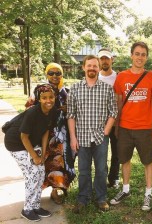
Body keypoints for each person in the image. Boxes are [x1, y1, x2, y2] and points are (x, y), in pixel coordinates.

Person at [110, 41, 152, 211]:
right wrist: (116, 125)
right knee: (124, 159)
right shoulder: (121, 77)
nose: (140, 57)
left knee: (148, 161)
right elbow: (118, 102)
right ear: (131, 55)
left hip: (144, 128)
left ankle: (148, 194)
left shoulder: (151, 77)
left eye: (143, 54)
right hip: (125, 127)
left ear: (146, 57)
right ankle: (125, 190)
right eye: (137, 54)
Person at [67, 55, 118, 214]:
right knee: (83, 170)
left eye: (95, 66)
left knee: (101, 169)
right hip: (81, 137)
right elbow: (71, 115)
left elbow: (113, 112)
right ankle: (83, 198)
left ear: (98, 68)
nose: (92, 68)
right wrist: (73, 138)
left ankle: (101, 198)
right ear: (83, 67)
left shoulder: (106, 88)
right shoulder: (75, 89)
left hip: (100, 137)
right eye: (89, 65)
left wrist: (106, 131)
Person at [4, 84, 57, 222]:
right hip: (15, 143)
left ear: (54, 97)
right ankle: (27, 209)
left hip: (31, 142)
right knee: (32, 174)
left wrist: (43, 154)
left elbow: (46, 131)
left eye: (51, 97)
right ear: (39, 99)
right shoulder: (32, 112)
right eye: (44, 98)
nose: (48, 100)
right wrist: (34, 156)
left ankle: (35, 206)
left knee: (40, 172)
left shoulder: (51, 111)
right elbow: (23, 137)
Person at [26, 63, 76, 204]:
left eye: (58, 73)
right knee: (49, 163)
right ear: (47, 74)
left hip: (63, 134)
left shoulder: (65, 91)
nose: (54, 76)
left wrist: (67, 109)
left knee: (62, 163)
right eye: (51, 73)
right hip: (46, 134)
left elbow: (73, 110)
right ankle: (48, 191)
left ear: (61, 75)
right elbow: (30, 107)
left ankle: (59, 188)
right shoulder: (40, 90)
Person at [97, 48, 119, 189]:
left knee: (117, 152)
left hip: (116, 122)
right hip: (100, 123)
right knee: (101, 153)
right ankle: (102, 178)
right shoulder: (95, 77)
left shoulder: (119, 77)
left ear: (112, 59)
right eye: (102, 58)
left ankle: (114, 178)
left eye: (107, 58)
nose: (104, 61)